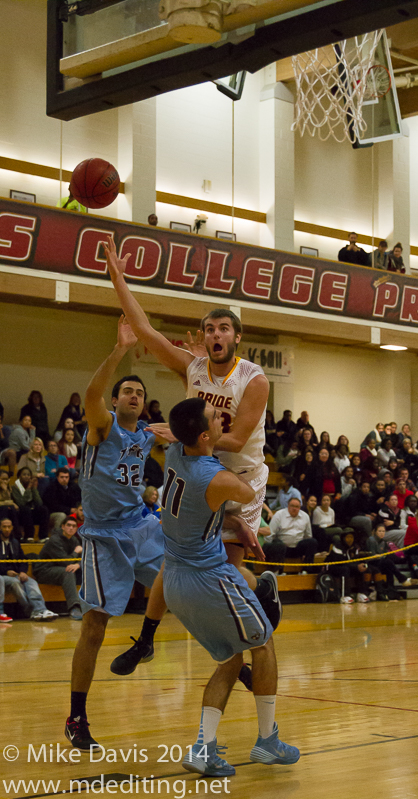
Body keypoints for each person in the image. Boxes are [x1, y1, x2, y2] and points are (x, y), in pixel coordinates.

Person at [105, 236, 271, 673]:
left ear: (237, 336)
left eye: (224, 329)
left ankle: (253, 615)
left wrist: (178, 437)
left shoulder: (254, 380)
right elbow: (146, 331)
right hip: (198, 471)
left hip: (239, 481)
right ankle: (145, 639)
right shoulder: (194, 367)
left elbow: (233, 442)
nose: (216, 335)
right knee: (174, 558)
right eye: (210, 329)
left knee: (227, 576)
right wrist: (119, 279)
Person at [160, 397, 299, 775]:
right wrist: (244, 453)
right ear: (204, 435)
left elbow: (176, 431)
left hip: (173, 579)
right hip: (208, 579)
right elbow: (250, 492)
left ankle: (203, 748)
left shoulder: (174, 452)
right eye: (215, 418)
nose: (223, 419)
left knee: (231, 658)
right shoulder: (216, 477)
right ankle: (267, 741)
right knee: (264, 644)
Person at [65, 316, 166, 751]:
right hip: (104, 536)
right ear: (116, 398)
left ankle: (147, 642)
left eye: (140, 393)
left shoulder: (146, 435)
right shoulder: (101, 426)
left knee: (183, 580)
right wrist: (120, 350)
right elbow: (91, 394)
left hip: (141, 526)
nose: (135, 396)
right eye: (128, 390)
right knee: (94, 626)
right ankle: (76, 715)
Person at [0, 517, 58, 621]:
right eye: (4, 527)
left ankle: (41, 609)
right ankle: (30, 610)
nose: (7, 529)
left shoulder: (15, 543)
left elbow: (23, 559)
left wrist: (23, 572)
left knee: (31, 582)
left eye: (9, 527)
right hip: (3, 576)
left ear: (12, 527)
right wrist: (6, 571)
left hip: (16, 574)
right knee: (15, 583)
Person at [33, 517, 83, 618]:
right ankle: (74, 608)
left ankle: (95, 606)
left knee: (87, 570)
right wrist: (75, 552)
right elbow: (64, 562)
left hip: (60, 570)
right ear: (63, 527)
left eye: (74, 526)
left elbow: (84, 558)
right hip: (45, 571)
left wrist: (78, 565)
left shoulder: (74, 540)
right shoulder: (54, 540)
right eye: (68, 525)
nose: (71, 528)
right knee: (68, 572)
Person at [263, 497, 318, 573]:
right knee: (277, 544)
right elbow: (270, 534)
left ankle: (306, 571)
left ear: (300, 507)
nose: (294, 509)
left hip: (298, 548)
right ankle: (279, 571)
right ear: (288, 506)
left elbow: (308, 536)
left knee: (312, 542)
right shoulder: (279, 515)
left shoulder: (305, 516)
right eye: (292, 506)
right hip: (283, 549)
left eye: (297, 507)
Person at [11, 467, 50, 543]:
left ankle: (43, 536)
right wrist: (28, 489)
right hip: (20, 514)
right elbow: (21, 503)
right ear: (19, 476)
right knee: (25, 509)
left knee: (43, 509)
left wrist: (34, 489)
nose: (26, 476)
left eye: (28, 475)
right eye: (24, 474)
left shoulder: (32, 486)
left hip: (31, 514)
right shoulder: (14, 488)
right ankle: (29, 536)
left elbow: (39, 502)